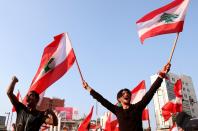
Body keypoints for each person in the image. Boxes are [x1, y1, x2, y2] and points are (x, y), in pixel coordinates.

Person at [83, 63, 171, 131]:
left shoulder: (138, 107)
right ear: (119, 99)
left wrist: (161, 75)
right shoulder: (117, 110)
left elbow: (151, 92)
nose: (126, 94)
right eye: (123, 93)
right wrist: (88, 88)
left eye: (128, 93)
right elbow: (101, 99)